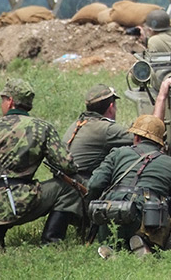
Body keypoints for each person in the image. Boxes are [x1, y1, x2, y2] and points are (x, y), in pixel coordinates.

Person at [0, 78, 77, 249]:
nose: (2, 103)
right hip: (13, 202)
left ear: (10, 101)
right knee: (70, 187)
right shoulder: (41, 128)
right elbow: (67, 166)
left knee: (1, 186)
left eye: (3, 99)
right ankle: (52, 242)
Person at [40, 84, 135, 243]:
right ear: (111, 107)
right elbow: (143, 138)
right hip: (80, 186)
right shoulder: (106, 128)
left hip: (64, 181)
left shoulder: (77, 124)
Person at [86, 113, 171, 256]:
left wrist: (93, 211)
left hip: (112, 213)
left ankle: (112, 247)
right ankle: (146, 245)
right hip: (148, 221)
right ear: (160, 143)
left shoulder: (117, 153)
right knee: (168, 218)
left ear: (136, 137)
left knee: (111, 230)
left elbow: (94, 184)